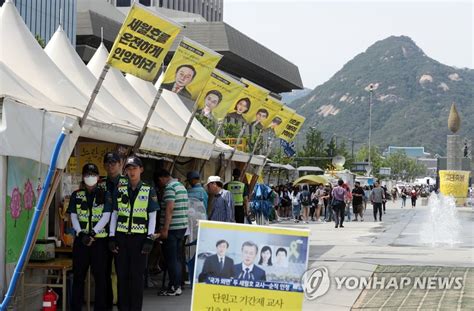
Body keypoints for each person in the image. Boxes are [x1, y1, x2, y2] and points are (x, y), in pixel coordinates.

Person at [108, 156, 159, 309]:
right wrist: (111, 236)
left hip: (139, 240)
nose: (132, 172)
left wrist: (150, 238)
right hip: (122, 238)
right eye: (129, 169)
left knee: (136, 278)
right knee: (122, 276)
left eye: (134, 168)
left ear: (141, 170)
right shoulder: (120, 189)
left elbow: (152, 215)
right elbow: (115, 214)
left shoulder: (148, 190)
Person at [68, 163, 112, 311]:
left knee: (100, 278)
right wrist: (81, 234)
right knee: (78, 277)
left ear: (98, 177)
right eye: (87, 175)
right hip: (81, 241)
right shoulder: (77, 195)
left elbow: (106, 216)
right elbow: (73, 216)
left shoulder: (105, 194)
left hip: (100, 242)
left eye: (93, 175)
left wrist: (92, 233)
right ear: (83, 177)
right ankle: (76, 308)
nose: (90, 178)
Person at [154, 169, 189, 296]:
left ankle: (174, 286)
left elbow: (169, 209)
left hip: (172, 228)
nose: (160, 184)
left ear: (162, 178)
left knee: (171, 258)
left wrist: (165, 229)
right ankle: (178, 285)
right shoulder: (181, 186)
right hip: (182, 227)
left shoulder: (169, 188)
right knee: (178, 258)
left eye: (159, 181)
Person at [99, 152, 127, 309]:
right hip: (102, 234)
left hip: (122, 233)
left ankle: (123, 305)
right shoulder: (100, 184)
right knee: (104, 273)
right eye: (108, 163)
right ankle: (107, 304)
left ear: (120, 164)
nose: (111, 166)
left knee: (122, 272)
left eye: (114, 162)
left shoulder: (127, 182)